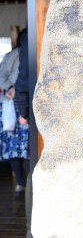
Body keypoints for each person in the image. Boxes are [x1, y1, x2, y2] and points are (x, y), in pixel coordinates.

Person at [0, 28, 30, 193]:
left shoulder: (10, 56)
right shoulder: (18, 55)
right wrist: (12, 87)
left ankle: (22, 183)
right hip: (15, 106)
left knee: (15, 147)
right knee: (24, 147)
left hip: (12, 105)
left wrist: (9, 87)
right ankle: (26, 182)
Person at [14, 27, 33, 238]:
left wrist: (24, 112)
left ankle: (32, 228)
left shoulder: (31, 35)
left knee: (35, 169)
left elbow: (23, 81)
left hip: (37, 111)